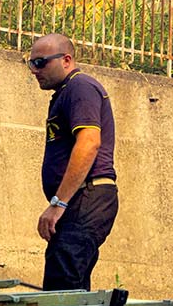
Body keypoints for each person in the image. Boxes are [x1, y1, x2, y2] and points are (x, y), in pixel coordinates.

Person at [28, 33, 118, 290]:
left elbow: (89, 142)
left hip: (86, 197)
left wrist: (59, 203)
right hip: (81, 199)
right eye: (31, 63)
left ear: (66, 59)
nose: (34, 70)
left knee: (61, 288)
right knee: (69, 285)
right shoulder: (65, 93)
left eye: (41, 62)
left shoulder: (80, 87)